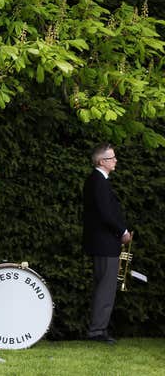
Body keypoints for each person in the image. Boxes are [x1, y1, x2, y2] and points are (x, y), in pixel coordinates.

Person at [83, 143, 132, 345]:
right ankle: (97, 331)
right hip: (105, 244)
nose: (115, 160)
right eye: (112, 158)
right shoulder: (98, 181)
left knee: (104, 287)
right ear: (101, 161)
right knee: (106, 288)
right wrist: (123, 231)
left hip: (102, 243)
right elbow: (105, 213)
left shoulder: (97, 181)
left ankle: (98, 328)